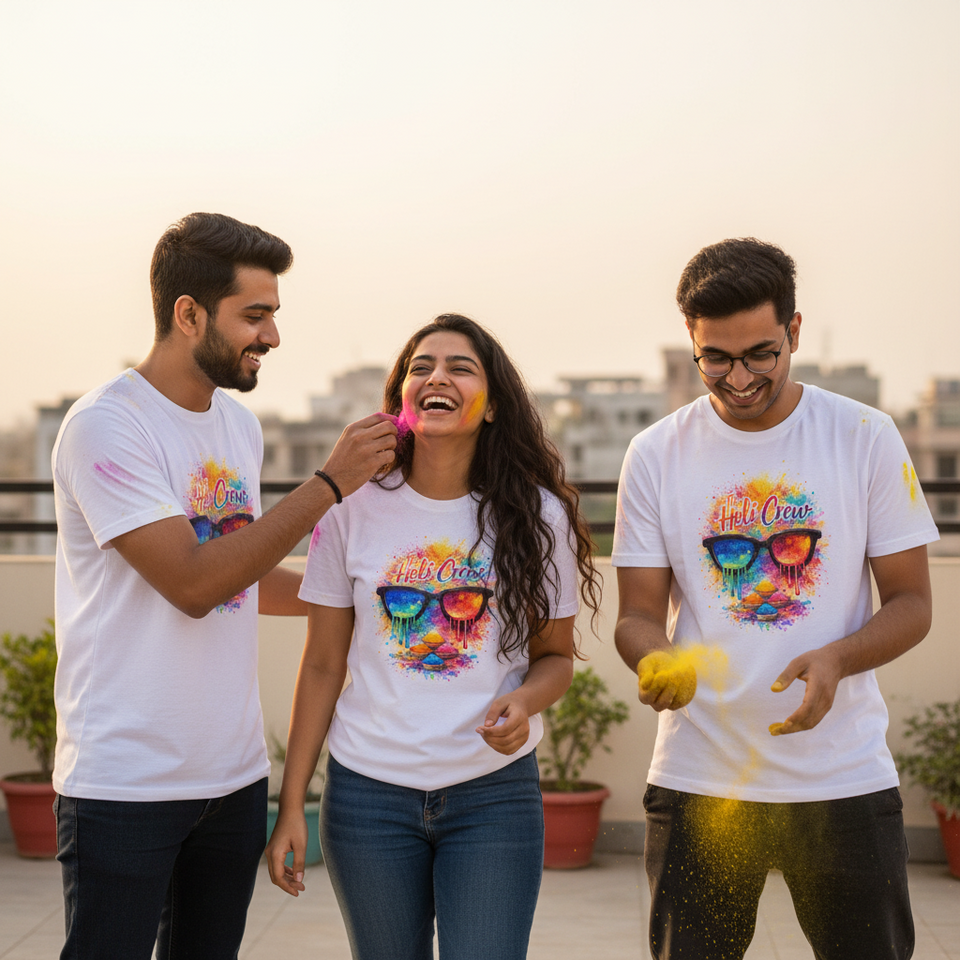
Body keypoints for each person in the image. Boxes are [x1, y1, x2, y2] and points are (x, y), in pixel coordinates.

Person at [51, 212, 397, 960]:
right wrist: (331, 484)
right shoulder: (107, 428)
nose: (271, 336)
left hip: (233, 779)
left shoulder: (237, 427)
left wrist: (363, 593)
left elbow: (239, 572)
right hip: (126, 784)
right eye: (255, 315)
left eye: (273, 315)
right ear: (188, 314)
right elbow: (192, 582)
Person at [611, 238, 938, 960]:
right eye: (715, 359)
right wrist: (659, 657)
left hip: (843, 779)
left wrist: (839, 658)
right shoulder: (657, 453)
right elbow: (636, 615)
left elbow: (913, 603)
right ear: (691, 345)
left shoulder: (864, 437)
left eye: (761, 353)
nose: (739, 378)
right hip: (701, 780)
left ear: (794, 330)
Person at [266, 313, 601, 960]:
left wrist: (525, 701)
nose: (436, 376)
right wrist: (290, 806)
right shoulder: (350, 510)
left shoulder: (539, 517)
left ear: (493, 404)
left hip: (493, 796)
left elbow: (555, 659)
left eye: (459, 367)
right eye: (421, 367)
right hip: (366, 798)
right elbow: (322, 667)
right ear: (400, 400)